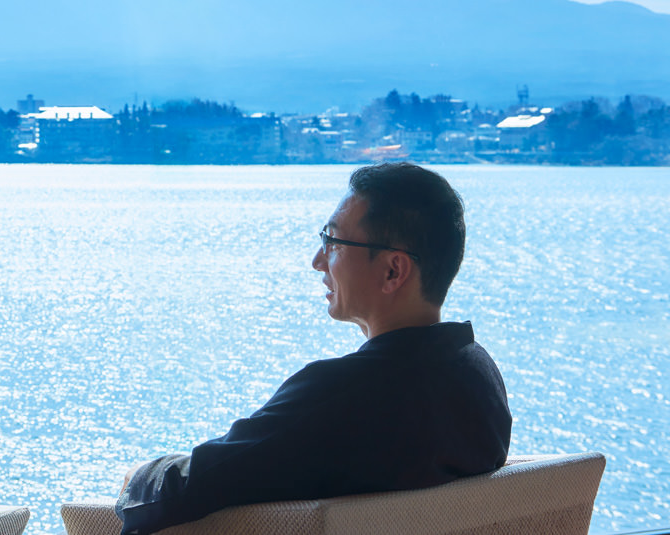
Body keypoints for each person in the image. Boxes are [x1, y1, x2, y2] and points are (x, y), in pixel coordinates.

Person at [116, 162, 511, 534]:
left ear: (393, 270)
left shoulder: (345, 397)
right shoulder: (478, 376)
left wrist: (138, 478)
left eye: (334, 242)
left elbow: (189, 488)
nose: (318, 261)